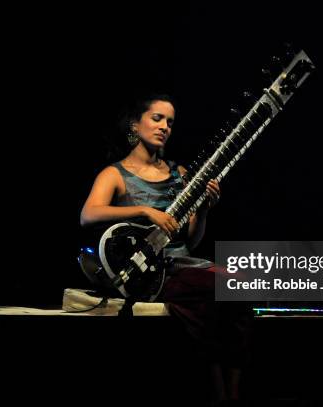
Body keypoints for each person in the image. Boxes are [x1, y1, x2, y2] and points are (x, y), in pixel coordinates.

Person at [80, 93, 251, 407]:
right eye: (157, 118)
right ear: (136, 124)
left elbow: (192, 240)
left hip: (183, 262)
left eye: (170, 122)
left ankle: (233, 392)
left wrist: (206, 209)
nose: (164, 127)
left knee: (241, 287)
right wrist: (145, 212)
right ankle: (222, 395)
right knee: (219, 293)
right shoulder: (115, 174)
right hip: (151, 273)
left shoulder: (181, 174)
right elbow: (89, 214)